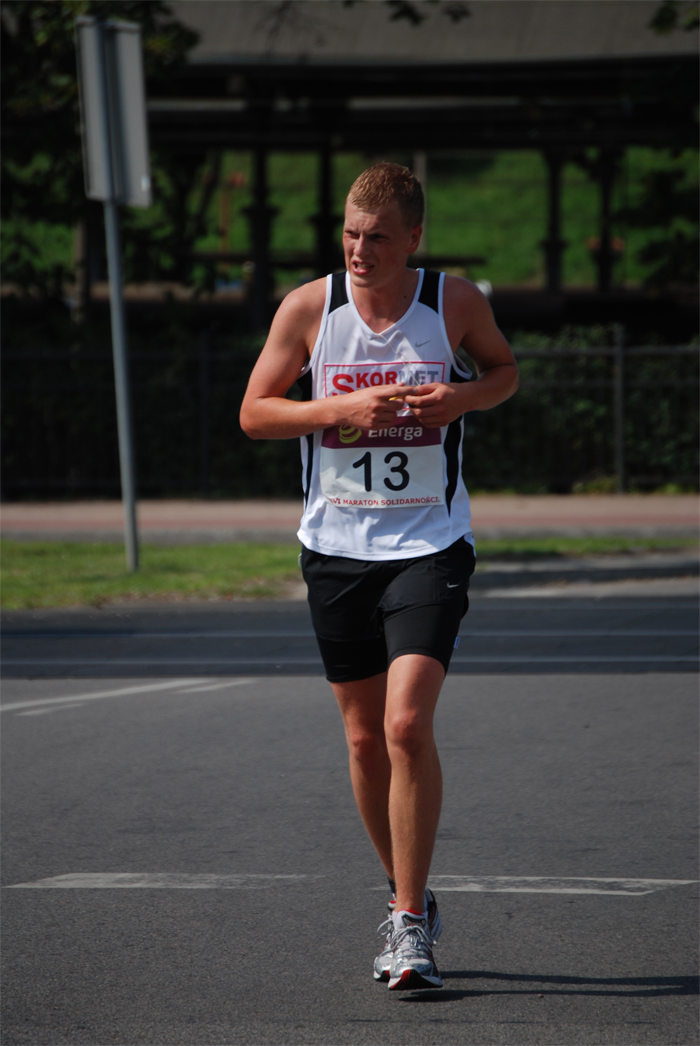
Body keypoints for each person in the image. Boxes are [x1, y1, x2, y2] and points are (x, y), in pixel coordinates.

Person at [240, 161, 518, 990]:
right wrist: (341, 410)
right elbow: (255, 413)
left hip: (429, 542)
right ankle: (410, 893)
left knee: (403, 725)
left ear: (415, 239)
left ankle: (406, 926)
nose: (360, 251)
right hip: (336, 547)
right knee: (364, 739)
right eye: (351, 235)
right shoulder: (310, 308)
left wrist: (461, 400)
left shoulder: (453, 304)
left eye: (379, 238)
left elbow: (503, 373)